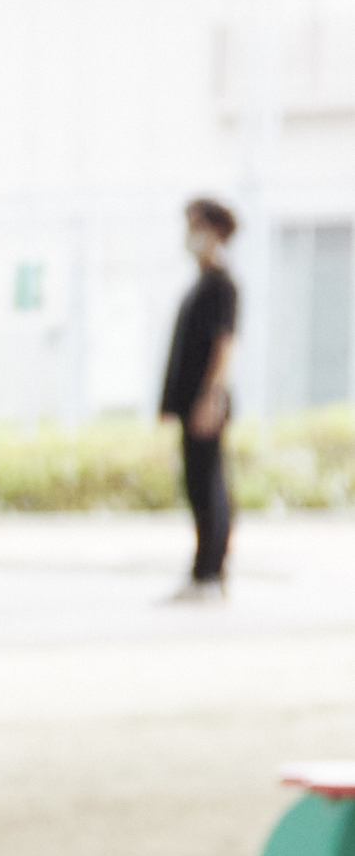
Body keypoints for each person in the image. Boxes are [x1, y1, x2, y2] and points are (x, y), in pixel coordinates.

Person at [163, 199, 238, 601]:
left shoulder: (221, 285)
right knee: (196, 483)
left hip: (205, 402)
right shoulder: (201, 283)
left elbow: (224, 345)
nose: (188, 233)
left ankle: (210, 573)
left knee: (208, 485)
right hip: (191, 399)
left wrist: (212, 397)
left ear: (213, 230)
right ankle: (202, 570)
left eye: (194, 224)